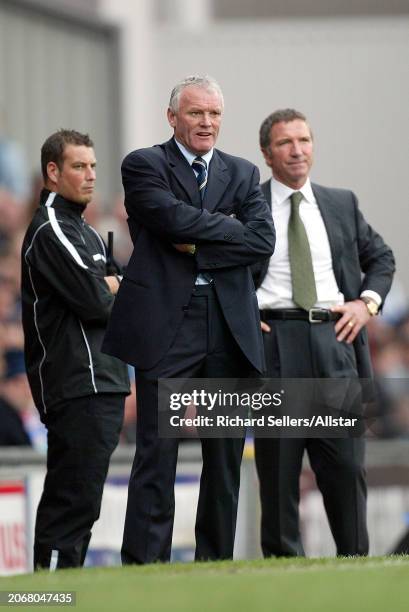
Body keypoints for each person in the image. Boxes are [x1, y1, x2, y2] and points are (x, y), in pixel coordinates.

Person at [103, 75, 275, 564]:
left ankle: (215, 565)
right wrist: (228, 233)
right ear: (172, 116)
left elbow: (262, 241)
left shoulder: (242, 173)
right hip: (167, 326)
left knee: (224, 459)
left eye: (214, 114)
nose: (206, 123)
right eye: (196, 113)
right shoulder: (143, 164)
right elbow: (166, 218)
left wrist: (195, 245)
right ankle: (145, 566)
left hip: (228, 326)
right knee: (157, 453)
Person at [253, 108, 395, 557]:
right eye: (285, 143)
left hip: (335, 342)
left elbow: (382, 259)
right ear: (266, 153)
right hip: (274, 344)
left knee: (347, 468)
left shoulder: (341, 203)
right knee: (278, 475)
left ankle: (356, 566)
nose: (297, 150)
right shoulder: (247, 206)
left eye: (304, 140)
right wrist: (239, 317)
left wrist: (366, 303)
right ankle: (282, 574)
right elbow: (218, 273)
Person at [21, 129, 130, 570]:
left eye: (92, 167)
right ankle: (46, 597)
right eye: (78, 167)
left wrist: (112, 284)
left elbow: (126, 291)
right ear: (53, 172)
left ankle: (64, 591)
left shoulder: (81, 229)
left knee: (83, 504)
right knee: (71, 503)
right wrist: (109, 286)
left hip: (101, 380)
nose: (89, 176)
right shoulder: (51, 228)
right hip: (76, 382)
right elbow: (98, 302)